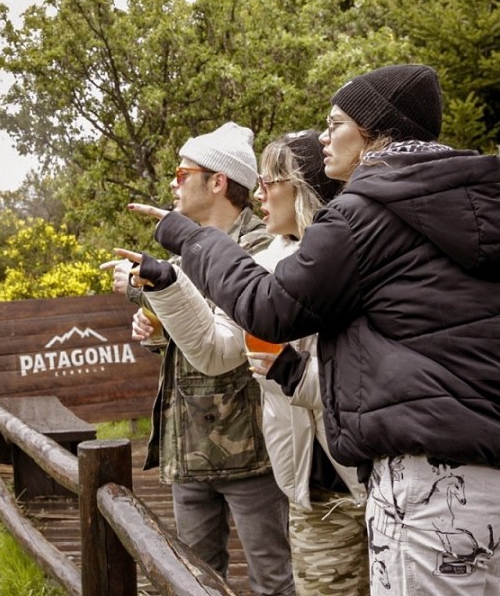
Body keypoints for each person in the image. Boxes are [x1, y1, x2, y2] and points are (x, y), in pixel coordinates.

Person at [128, 64, 500, 596]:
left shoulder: (367, 215)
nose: (323, 138)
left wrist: (191, 238)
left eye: (335, 124)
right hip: (499, 484)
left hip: (422, 484)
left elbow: (269, 307)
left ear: (374, 131)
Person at [122, 130, 368, 595]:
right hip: (310, 484)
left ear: (301, 188)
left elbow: (375, 378)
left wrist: (293, 373)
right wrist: (168, 286)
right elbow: (216, 349)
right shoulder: (272, 261)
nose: (259, 194)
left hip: (365, 475)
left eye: (269, 181)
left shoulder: (355, 255)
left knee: (274, 579)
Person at [102, 121, 296, 596]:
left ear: (218, 182)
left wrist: (149, 290)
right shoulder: (187, 251)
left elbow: (228, 324)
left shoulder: (263, 244)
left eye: (181, 173)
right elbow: (191, 330)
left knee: (273, 580)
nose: (173, 183)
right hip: (189, 447)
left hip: (252, 449)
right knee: (193, 582)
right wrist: (155, 330)